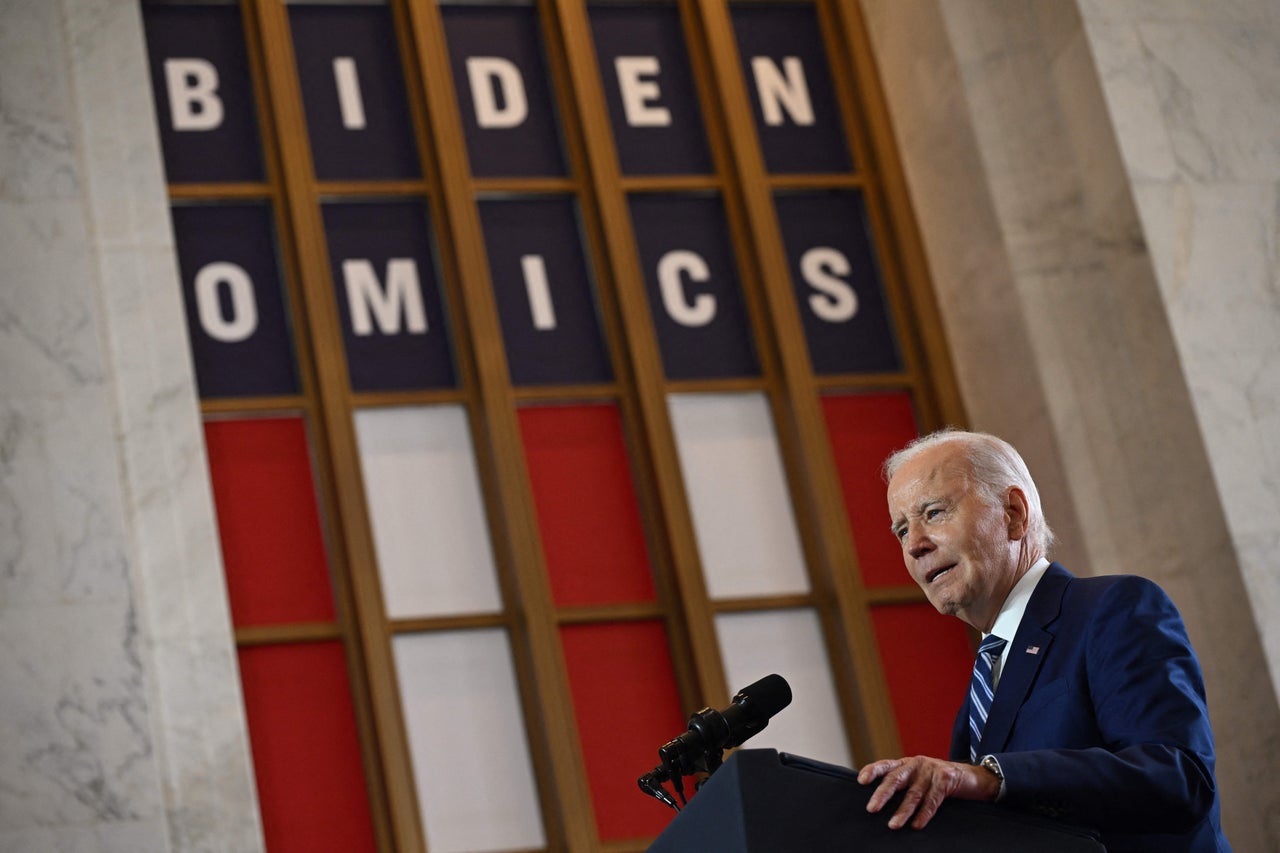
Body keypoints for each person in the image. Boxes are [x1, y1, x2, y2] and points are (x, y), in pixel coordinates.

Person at [856, 428, 1229, 852]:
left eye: (935, 512)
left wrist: (989, 777)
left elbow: (1178, 777)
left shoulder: (1112, 608)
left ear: (1013, 513)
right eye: (901, 531)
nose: (916, 545)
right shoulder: (986, 678)